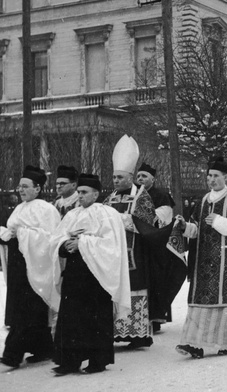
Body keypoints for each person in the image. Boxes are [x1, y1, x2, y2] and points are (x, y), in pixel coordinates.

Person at [49, 174, 130, 375]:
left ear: (96, 193)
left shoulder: (107, 214)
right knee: (71, 316)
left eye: (84, 192)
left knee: (95, 317)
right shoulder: (71, 215)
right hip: (75, 270)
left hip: (97, 273)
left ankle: (97, 360)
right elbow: (56, 238)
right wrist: (64, 245)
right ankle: (69, 360)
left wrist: (83, 242)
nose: (80, 196)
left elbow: (112, 246)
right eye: (79, 192)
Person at [175, 156, 227, 359]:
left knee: (225, 304)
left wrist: (219, 221)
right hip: (203, 261)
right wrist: (185, 227)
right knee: (201, 304)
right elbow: (196, 229)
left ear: (225, 177)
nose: (211, 180)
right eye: (209, 176)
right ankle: (195, 344)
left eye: (216, 176)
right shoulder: (202, 201)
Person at [0, 166, 61, 369]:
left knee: (27, 308)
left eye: (25, 186)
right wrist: (8, 234)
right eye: (19, 186)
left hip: (36, 263)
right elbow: (13, 230)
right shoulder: (20, 208)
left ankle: (12, 354)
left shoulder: (47, 209)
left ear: (38, 188)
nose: (20, 190)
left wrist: (22, 234)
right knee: (25, 306)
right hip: (19, 261)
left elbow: (50, 238)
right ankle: (43, 349)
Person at [103, 135, 158, 349]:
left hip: (136, 253)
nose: (116, 181)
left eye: (119, 177)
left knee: (135, 289)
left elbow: (147, 222)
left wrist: (125, 220)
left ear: (130, 176)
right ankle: (117, 332)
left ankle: (137, 334)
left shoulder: (142, 197)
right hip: (115, 253)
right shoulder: (109, 198)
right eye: (114, 177)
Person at [136, 162, 187, 333]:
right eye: (138, 176)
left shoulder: (162, 195)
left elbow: (162, 219)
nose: (140, 179)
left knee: (156, 281)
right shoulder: (135, 195)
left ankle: (156, 319)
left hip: (157, 244)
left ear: (153, 179)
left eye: (144, 176)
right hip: (140, 245)